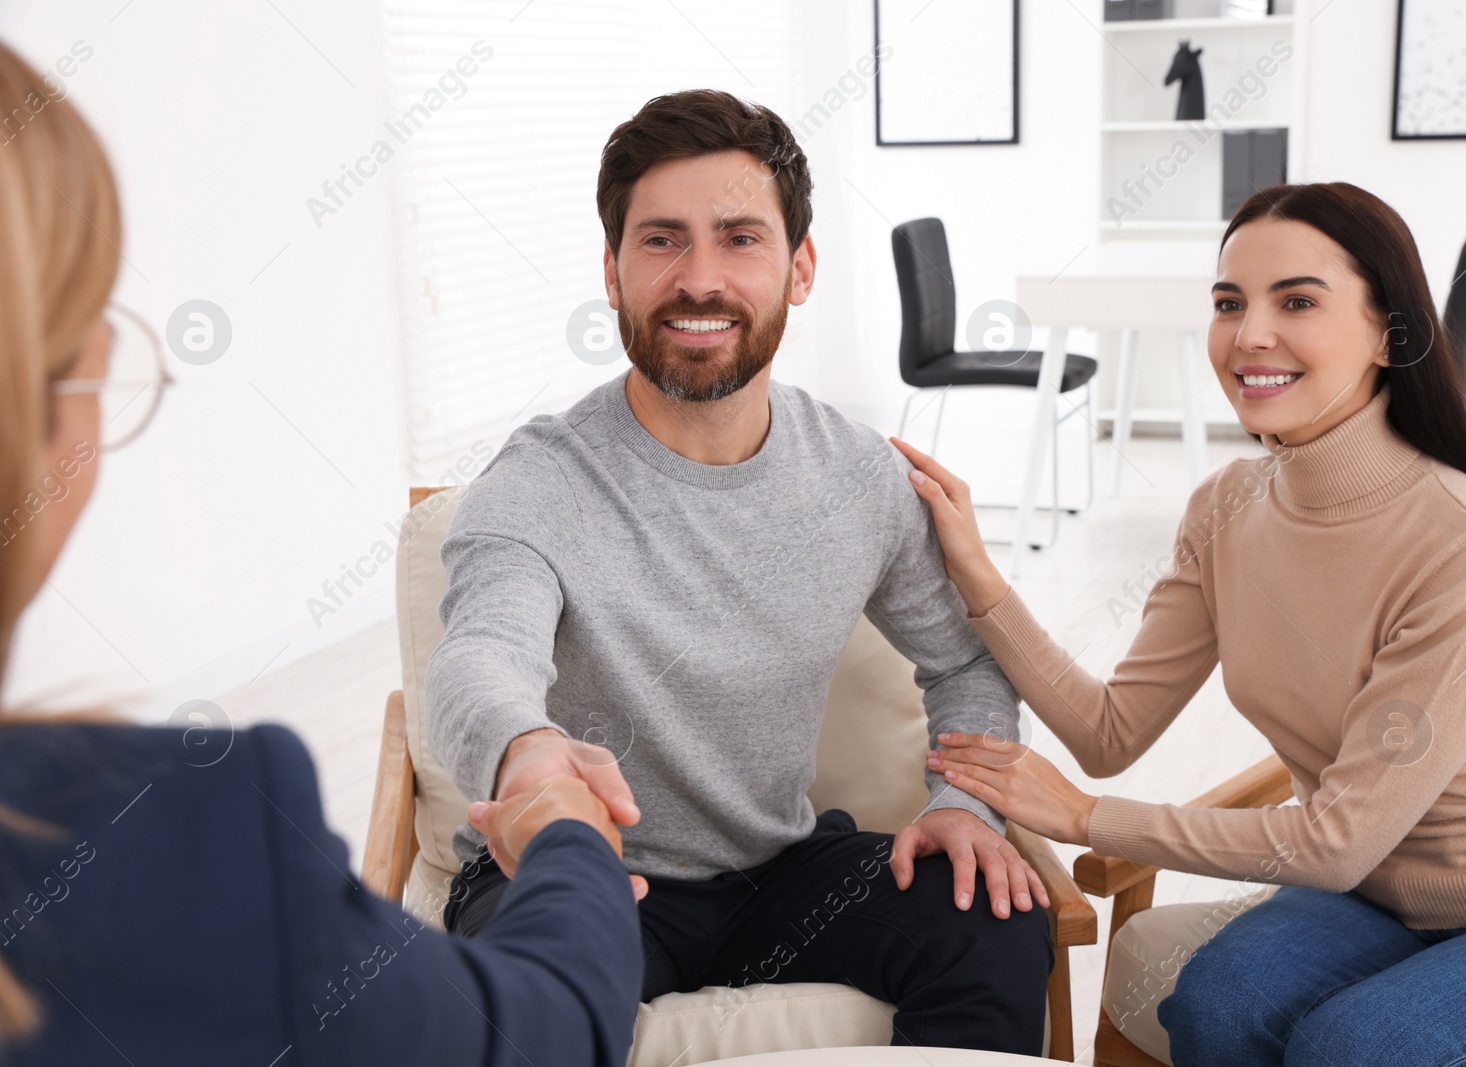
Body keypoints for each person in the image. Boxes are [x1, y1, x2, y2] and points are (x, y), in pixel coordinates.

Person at [0, 38, 643, 1066]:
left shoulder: (860, 471)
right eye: (92, 339)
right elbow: (545, 1029)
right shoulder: (164, 849)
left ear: (800, 265)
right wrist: (564, 820)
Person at [894, 182, 1466, 1064]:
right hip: (1379, 896)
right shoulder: (1228, 506)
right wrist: (977, 570)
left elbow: (1334, 841)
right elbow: (1109, 730)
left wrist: (1087, 818)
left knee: (1362, 1044)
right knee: (1219, 1004)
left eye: (1296, 301)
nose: (1249, 335)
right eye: (1229, 303)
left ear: (1389, 332)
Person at [428, 89, 1053, 1053]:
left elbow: (965, 664)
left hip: (778, 870)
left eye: (739, 238)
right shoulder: (541, 479)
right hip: (580, 869)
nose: (700, 279)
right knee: (537, 990)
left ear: (801, 268)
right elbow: (481, 658)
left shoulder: (860, 477)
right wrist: (533, 759)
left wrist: (965, 806)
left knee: (994, 916)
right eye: (663, 240)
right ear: (613, 270)